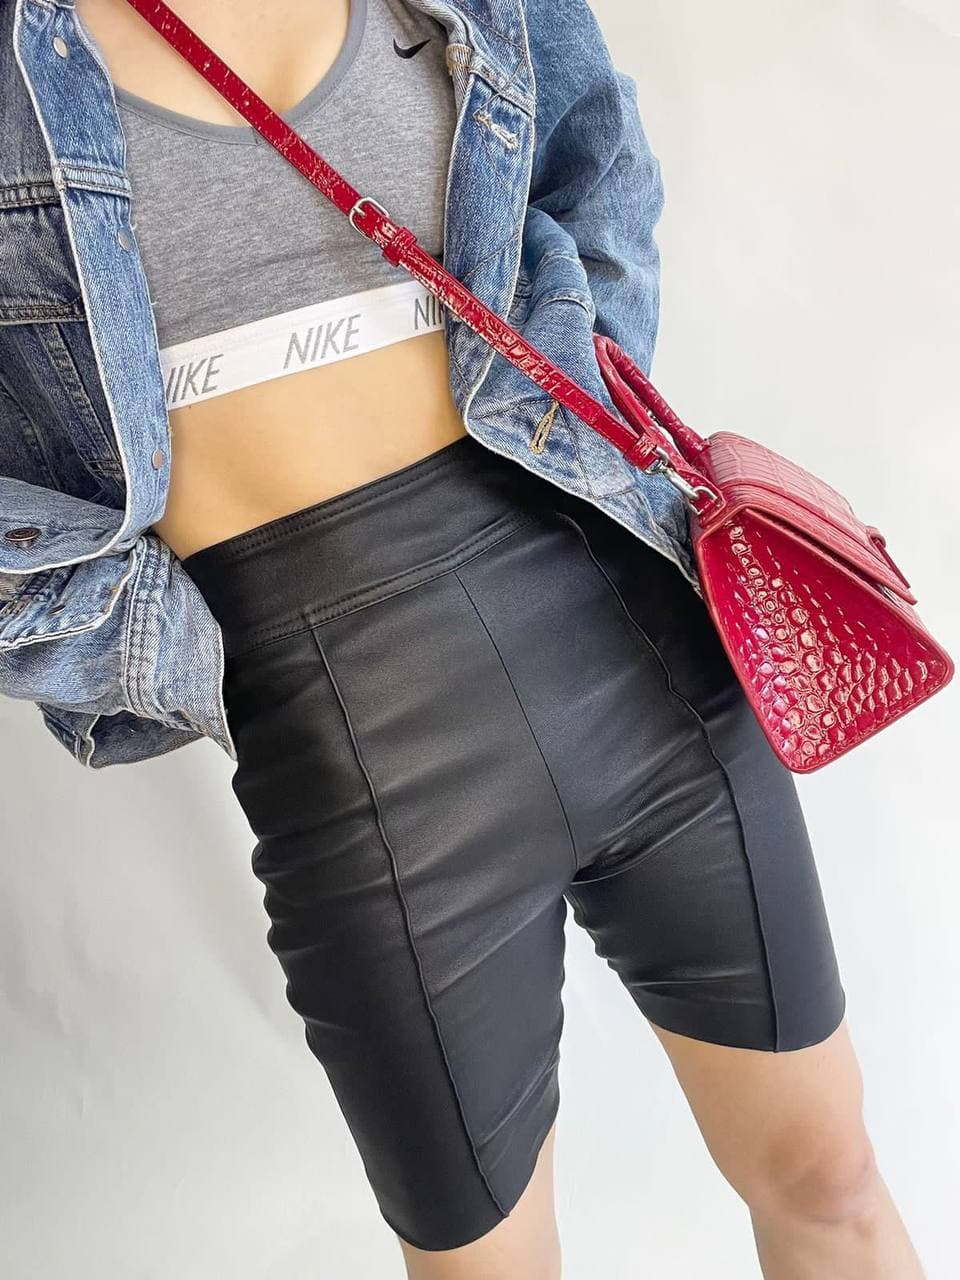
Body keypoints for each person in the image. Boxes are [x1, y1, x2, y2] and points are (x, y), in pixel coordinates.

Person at [0, 0, 927, 1275]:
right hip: (353, 750)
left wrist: (589, 407)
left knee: (829, 1173)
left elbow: (595, 160)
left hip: (635, 644)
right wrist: (155, 642)